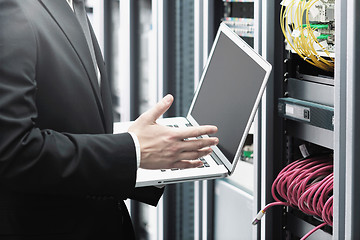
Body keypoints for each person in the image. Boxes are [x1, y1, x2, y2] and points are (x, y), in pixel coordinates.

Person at [0, 0, 218, 239]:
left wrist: (138, 147)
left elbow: (65, 121)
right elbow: (13, 153)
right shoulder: (12, 10)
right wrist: (132, 150)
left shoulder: (71, 6)